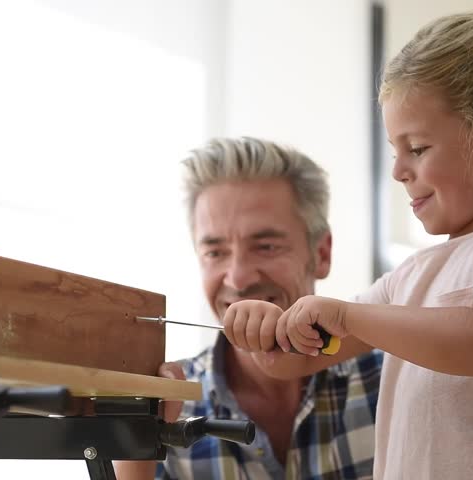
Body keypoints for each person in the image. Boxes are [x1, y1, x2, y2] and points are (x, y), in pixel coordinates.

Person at [221, 12, 473, 479]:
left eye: (417, 148)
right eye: (394, 151)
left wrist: (345, 315)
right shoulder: (412, 274)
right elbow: (295, 361)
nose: (398, 170)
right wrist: (268, 333)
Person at [115, 137, 383, 480]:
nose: (239, 279)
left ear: (322, 254)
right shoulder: (168, 408)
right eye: (215, 252)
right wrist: (136, 441)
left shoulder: (393, 376)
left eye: (266, 246)